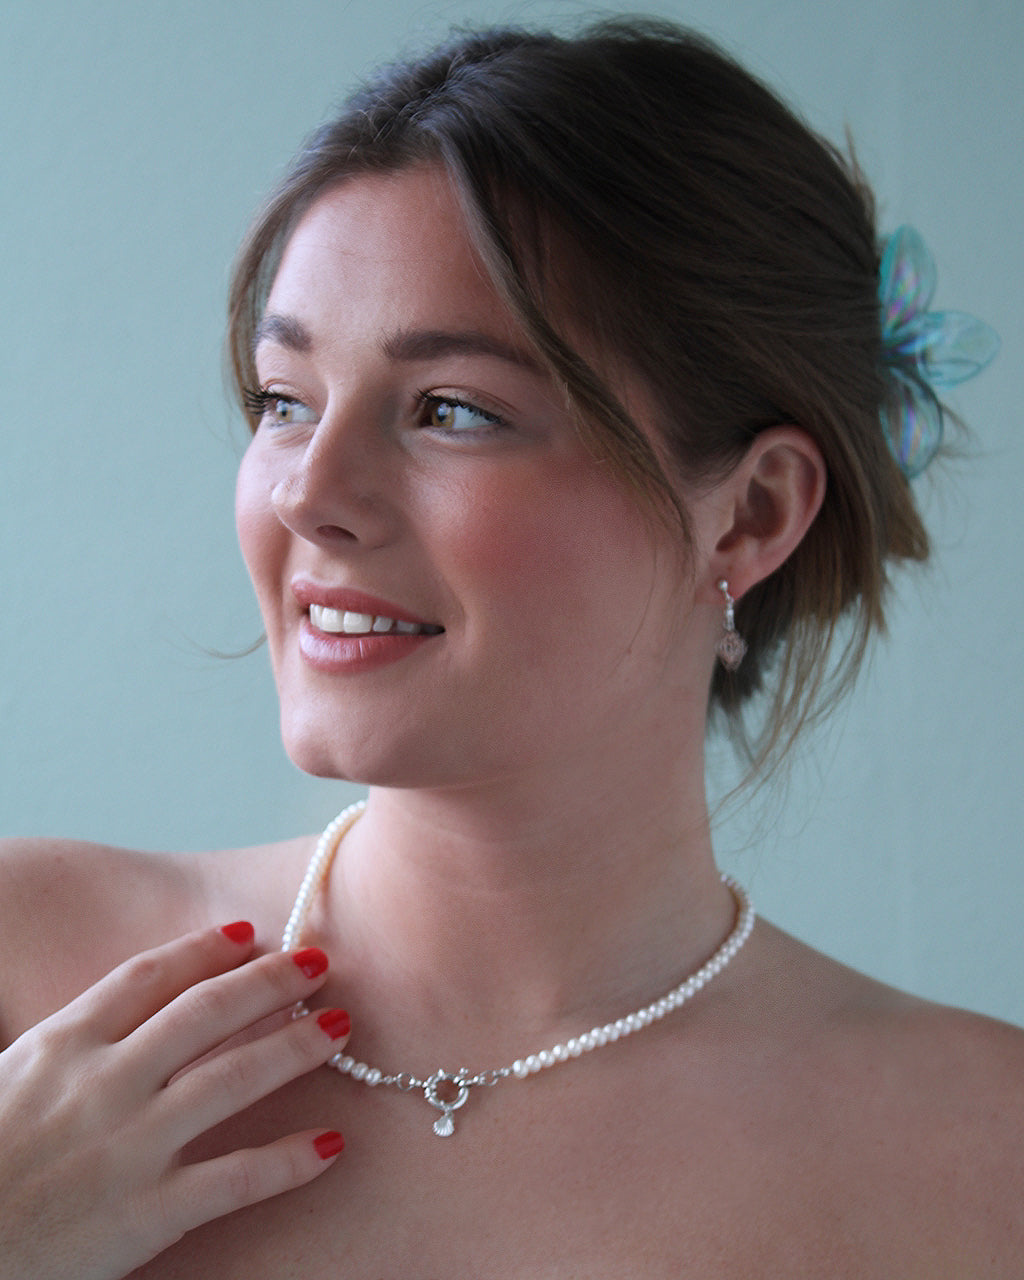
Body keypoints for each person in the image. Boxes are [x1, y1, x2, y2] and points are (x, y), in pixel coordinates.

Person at [1, 18, 1020, 1278]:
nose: (308, 492)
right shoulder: (27, 978)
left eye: (452, 410)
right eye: (283, 400)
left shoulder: (983, 1154)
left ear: (752, 512)